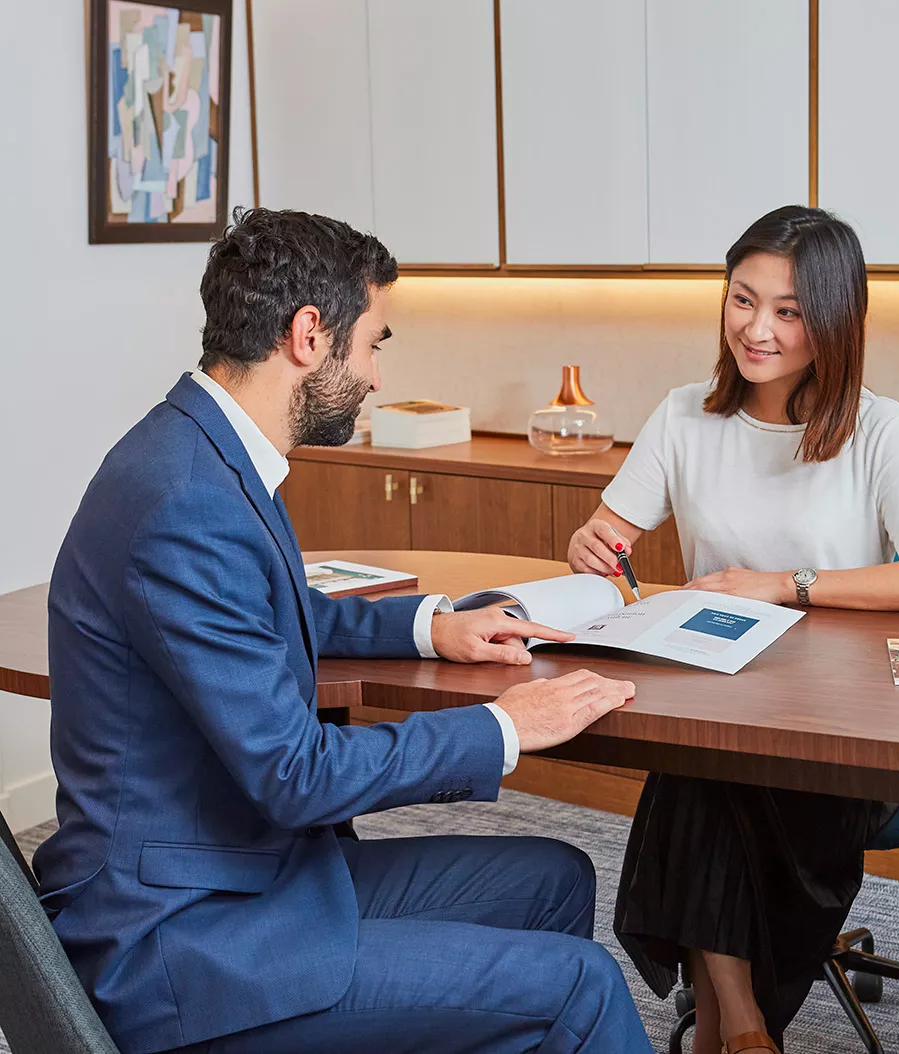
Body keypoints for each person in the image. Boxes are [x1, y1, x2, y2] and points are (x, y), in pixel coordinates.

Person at [34, 207, 655, 1054]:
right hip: (185, 943)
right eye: (374, 343)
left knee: (555, 878)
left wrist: (435, 625)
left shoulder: (203, 450)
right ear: (308, 335)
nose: (372, 375)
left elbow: (270, 613)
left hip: (244, 882)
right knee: (579, 989)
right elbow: (295, 774)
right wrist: (506, 728)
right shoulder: (185, 499)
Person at [567, 205, 899, 1054]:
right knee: (706, 759)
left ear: (833, 320)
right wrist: (589, 544)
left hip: (843, 729)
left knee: (699, 778)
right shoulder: (684, 416)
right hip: (722, 701)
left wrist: (787, 584)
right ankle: (742, 1032)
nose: (758, 329)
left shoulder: (879, 429)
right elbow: (607, 542)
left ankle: (728, 1026)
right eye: (742, 300)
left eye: (788, 310)